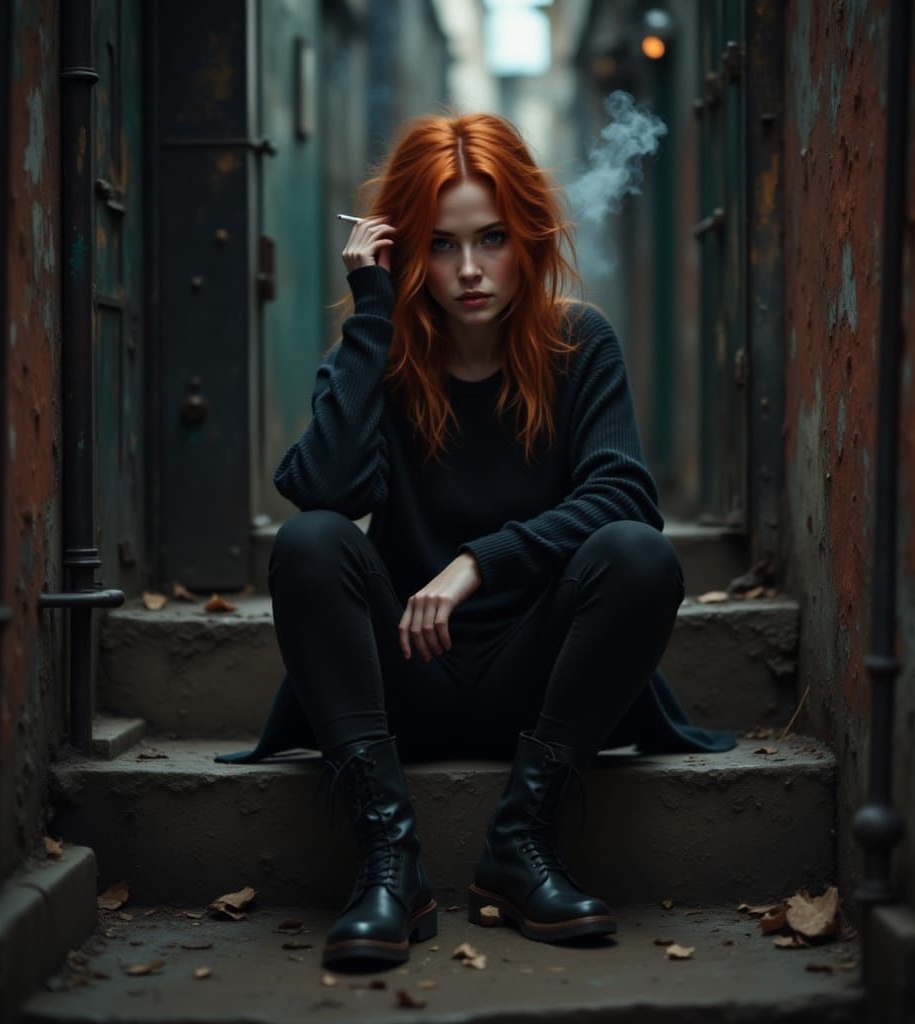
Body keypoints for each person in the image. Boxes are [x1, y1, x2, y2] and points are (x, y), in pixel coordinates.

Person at [220, 111, 736, 968]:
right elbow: (323, 489)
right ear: (404, 250)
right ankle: (390, 860)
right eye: (440, 243)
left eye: (491, 239)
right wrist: (372, 314)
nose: (467, 270)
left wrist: (475, 562)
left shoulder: (579, 343)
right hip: (401, 683)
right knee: (310, 542)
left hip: (536, 685)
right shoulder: (378, 351)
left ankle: (520, 843)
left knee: (639, 555)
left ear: (526, 237)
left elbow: (624, 493)